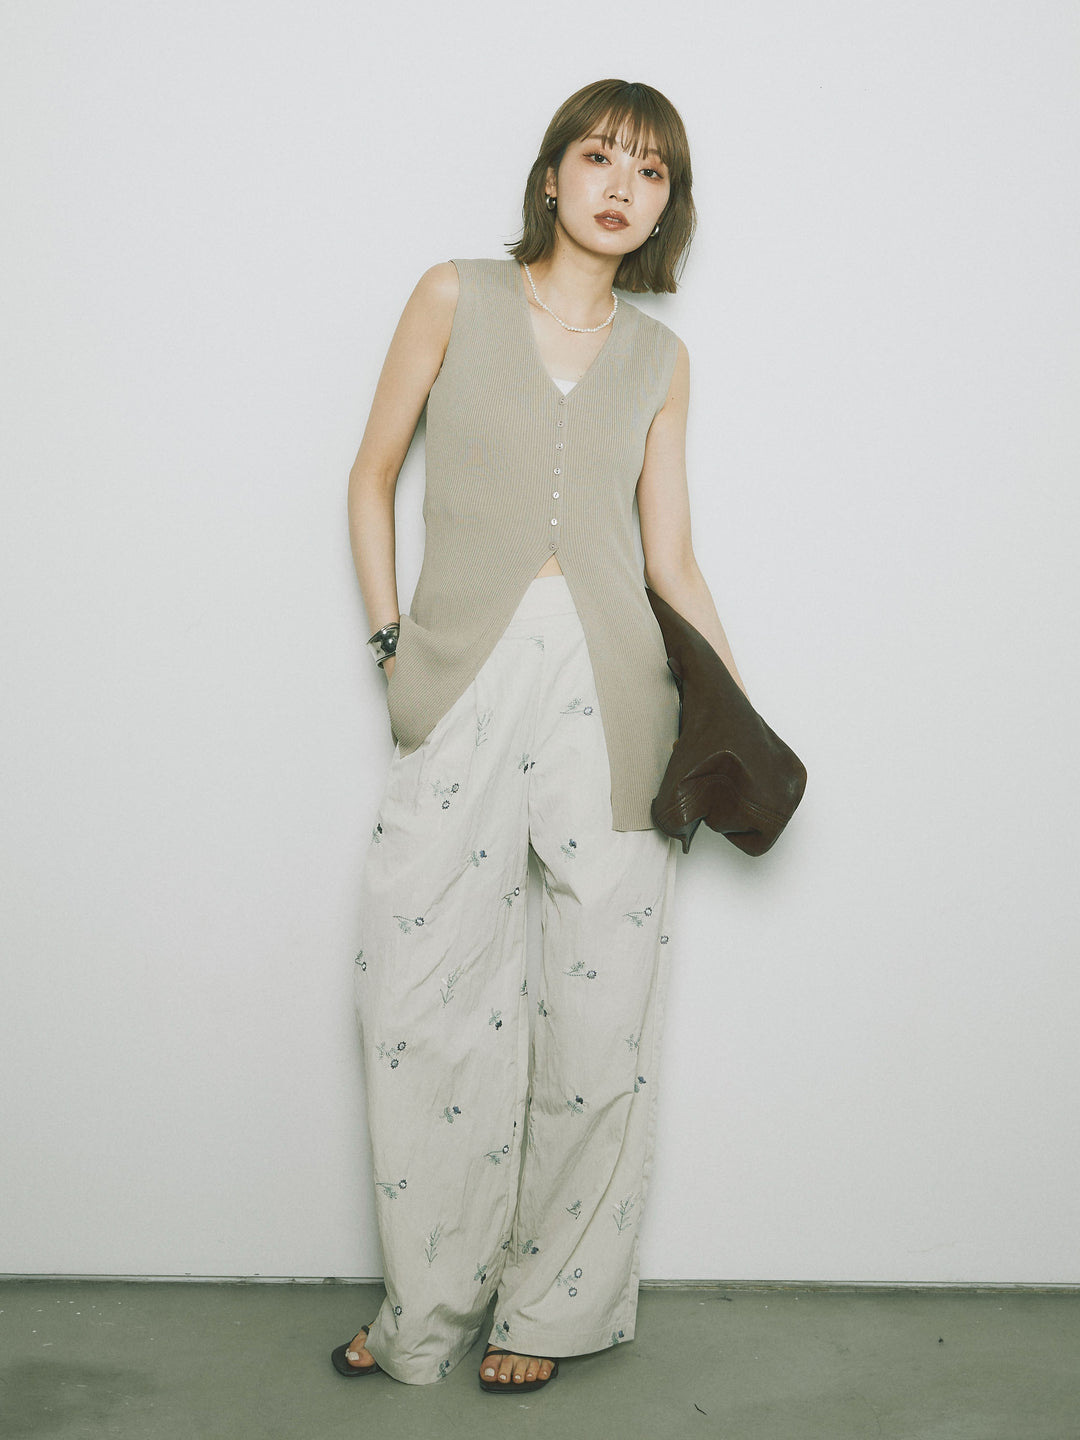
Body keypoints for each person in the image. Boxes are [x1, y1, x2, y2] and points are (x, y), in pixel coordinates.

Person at [333, 78, 746, 1393]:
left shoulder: (660, 361)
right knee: (420, 996)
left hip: (617, 698)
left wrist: (730, 718)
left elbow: (671, 561)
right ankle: (425, 1307)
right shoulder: (453, 296)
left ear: (668, 207)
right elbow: (371, 474)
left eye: (652, 171)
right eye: (600, 156)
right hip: (460, 677)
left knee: (599, 1016)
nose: (622, 186)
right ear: (553, 173)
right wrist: (392, 646)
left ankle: (551, 1311)